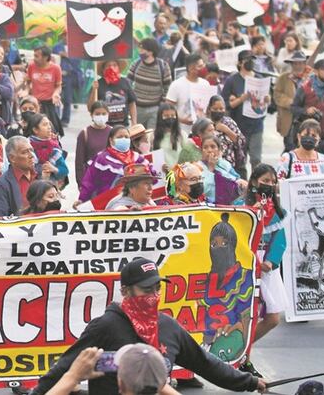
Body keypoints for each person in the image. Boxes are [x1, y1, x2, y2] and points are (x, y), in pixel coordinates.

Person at [31, 257, 265, 395]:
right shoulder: (105, 327)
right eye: (146, 289)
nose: (153, 295)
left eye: (158, 288)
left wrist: (251, 382)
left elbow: (205, 363)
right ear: (125, 291)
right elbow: (65, 369)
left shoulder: (168, 327)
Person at [234, 164, 287, 376]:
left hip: (267, 267)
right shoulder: (240, 206)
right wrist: (248, 259)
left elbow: (281, 240)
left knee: (273, 317)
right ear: (255, 181)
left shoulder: (277, 211)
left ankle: (240, 349)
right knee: (248, 314)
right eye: (265, 180)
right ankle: (244, 359)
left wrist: (271, 262)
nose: (269, 185)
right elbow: (235, 236)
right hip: (246, 264)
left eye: (273, 182)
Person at [79, 126, 151, 204]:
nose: (124, 139)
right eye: (120, 137)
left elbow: (152, 176)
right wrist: (82, 199)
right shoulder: (102, 159)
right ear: (111, 140)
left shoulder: (137, 158)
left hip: (135, 202)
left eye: (126, 137)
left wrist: (163, 170)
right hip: (107, 203)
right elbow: (89, 180)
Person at [223, 50, 267, 171]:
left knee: (256, 159)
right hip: (239, 126)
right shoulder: (232, 80)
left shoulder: (259, 78)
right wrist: (241, 99)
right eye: (247, 60)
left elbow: (265, 103)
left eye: (252, 60)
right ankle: (242, 187)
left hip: (256, 125)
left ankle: (256, 184)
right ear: (240, 63)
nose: (250, 63)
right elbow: (225, 103)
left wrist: (267, 99)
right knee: (240, 161)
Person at [0, 136, 42, 217]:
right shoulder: (2, 184)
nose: (31, 155)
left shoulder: (40, 177)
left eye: (31, 150)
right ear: (12, 158)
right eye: (25, 152)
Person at [127, 38, 171, 131]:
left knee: (151, 136)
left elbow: (167, 88)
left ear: (150, 52)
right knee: (136, 135)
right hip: (137, 108)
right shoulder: (136, 64)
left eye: (142, 49)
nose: (140, 51)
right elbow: (128, 84)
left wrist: (161, 106)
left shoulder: (163, 66)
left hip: (154, 109)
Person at [25, 46, 64, 137]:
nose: (34, 58)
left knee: (51, 132)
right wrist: (26, 91)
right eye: (34, 55)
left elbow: (58, 86)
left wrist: (55, 94)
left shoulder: (56, 68)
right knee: (33, 131)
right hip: (34, 104)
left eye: (37, 56)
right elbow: (28, 82)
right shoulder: (31, 66)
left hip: (49, 104)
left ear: (46, 57)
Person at [206, 94, 248, 178]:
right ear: (209, 109)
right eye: (215, 109)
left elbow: (241, 141)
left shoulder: (229, 122)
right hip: (209, 166)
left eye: (221, 109)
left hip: (230, 168)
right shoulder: (205, 123)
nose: (218, 111)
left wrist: (226, 130)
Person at [273, 51, 309, 145]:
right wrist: (291, 102)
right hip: (289, 117)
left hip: (306, 116)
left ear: (305, 64)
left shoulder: (310, 78)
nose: (298, 66)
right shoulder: (283, 78)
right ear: (292, 64)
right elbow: (277, 94)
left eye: (301, 63)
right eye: (295, 63)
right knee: (290, 144)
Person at [166, 53, 211, 126]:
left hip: (202, 128)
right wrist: (182, 120)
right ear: (191, 69)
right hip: (182, 130)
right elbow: (167, 109)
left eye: (203, 65)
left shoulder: (205, 84)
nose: (203, 68)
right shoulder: (176, 85)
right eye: (200, 66)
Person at [74, 101, 113, 186]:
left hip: (110, 180)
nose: (101, 116)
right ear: (91, 115)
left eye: (103, 113)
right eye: (97, 114)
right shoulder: (84, 134)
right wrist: (81, 184)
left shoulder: (113, 132)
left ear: (108, 114)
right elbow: (79, 162)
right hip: (91, 181)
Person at [199, 136, 245, 205]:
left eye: (213, 147)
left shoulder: (225, 164)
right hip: (209, 205)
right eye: (205, 147)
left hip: (231, 202)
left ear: (219, 149)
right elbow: (204, 189)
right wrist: (211, 168)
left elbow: (236, 179)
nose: (209, 150)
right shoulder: (198, 167)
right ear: (201, 151)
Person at [90, 60, 137, 127]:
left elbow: (132, 103)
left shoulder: (125, 82)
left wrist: (134, 122)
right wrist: (94, 90)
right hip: (104, 127)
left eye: (114, 65)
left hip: (123, 126)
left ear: (118, 68)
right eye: (108, 66)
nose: (111, 68)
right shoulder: (98, 84)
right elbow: (90, 107)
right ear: (103, 70)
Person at [152, 104, 184, 170]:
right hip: (160, 174)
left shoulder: (182, 135)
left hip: (178, 174)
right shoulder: (152, 135)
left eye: (172, 116)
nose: (170, 118)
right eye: (166, 116)